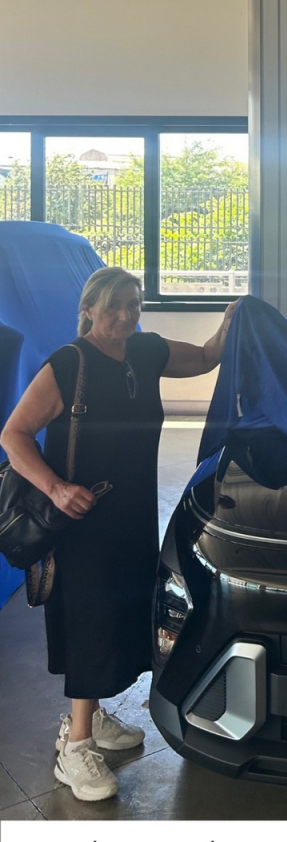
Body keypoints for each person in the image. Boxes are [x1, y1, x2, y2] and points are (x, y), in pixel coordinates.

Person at [0, 267, 237, 802]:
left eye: (134, 304)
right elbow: (14, 434)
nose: (126, 316)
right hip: (81, 520)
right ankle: (75, 746)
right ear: (88, 309)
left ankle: (93, 716)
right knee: (91, 620)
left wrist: (230, 322)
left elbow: (206, 357)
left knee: (123, 611)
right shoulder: (69, 363)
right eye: (114, 307)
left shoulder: (146, 351)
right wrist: (56, 488)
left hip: (133, 513)